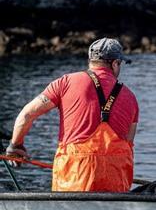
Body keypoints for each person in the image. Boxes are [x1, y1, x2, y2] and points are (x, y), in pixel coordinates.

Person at [5, 38, 139, 192]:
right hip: (116, 181)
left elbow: (26, 115)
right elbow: (129, 142)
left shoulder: (65, 83)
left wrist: (15, 146)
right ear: (115, 63)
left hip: (74, 178)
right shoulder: (131, 97)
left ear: (90, 61)